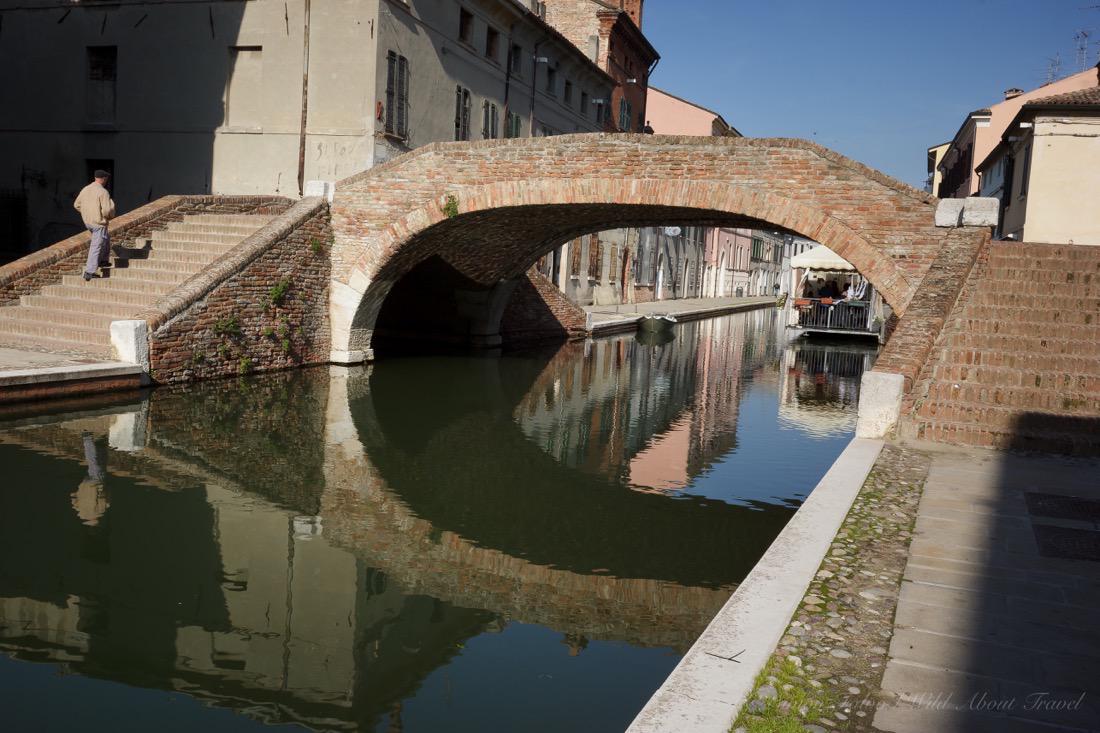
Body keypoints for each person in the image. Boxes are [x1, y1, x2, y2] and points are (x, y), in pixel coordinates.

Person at [74, 169, 116, 281]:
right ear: (103, 179)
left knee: (105, 237)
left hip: (88, 222)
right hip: (98, 223)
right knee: (96, 245)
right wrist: (110, 214)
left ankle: (103, 260)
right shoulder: (103, 192)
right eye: (106, 179)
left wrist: (87, 213)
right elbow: (107, 211)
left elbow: (77, 205)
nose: (107, 181)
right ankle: (89, 271)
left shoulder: (86, 189)